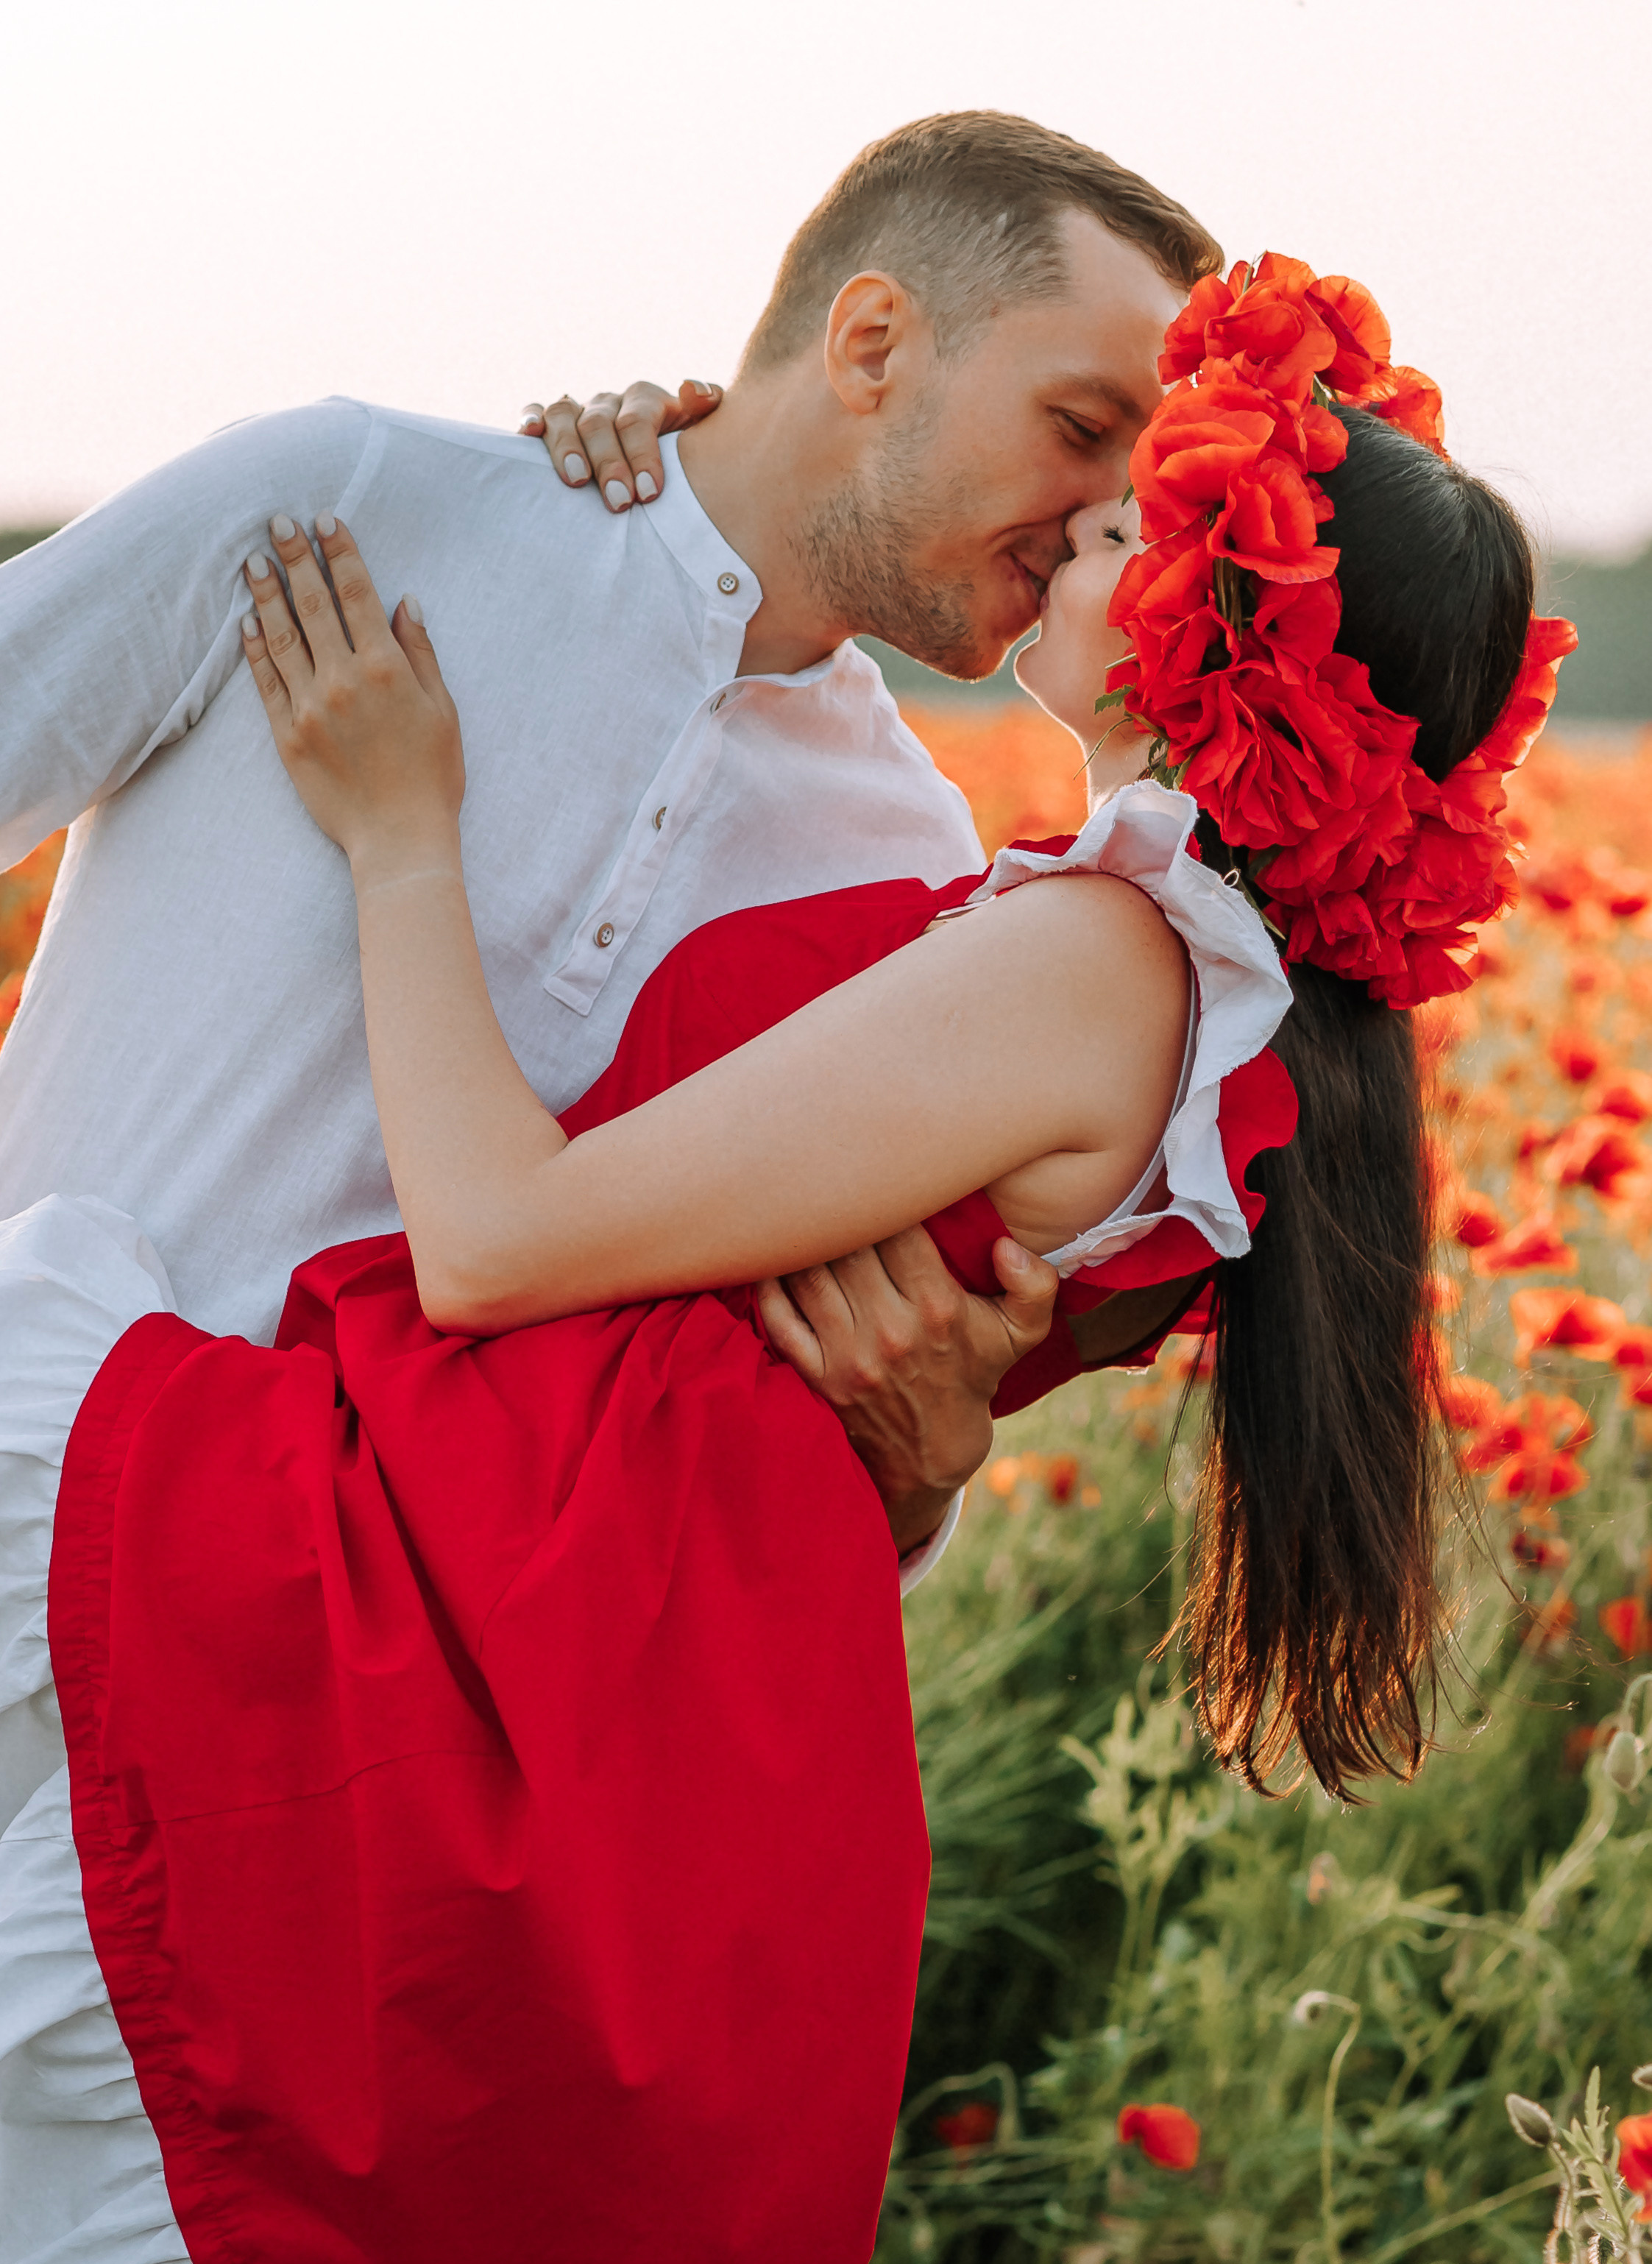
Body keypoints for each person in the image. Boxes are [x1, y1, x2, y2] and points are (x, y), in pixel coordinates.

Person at [0, 258, 1570, 2264]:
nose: (1081, 524)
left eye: (1137, 529)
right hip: (636, 1692)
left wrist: (399, 826)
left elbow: (495, 1240)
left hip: (484, 1624)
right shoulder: (1164, 994)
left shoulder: (1094, 968)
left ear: (1208, 661)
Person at [0, 112, 1218, 1657]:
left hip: (331, 1750)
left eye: (1150, 471)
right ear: (868, 341)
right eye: (1081, 422)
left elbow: (739, 1409)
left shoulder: (911, 871)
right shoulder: (351, 507)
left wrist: (918, 1480)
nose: (1114, 515)